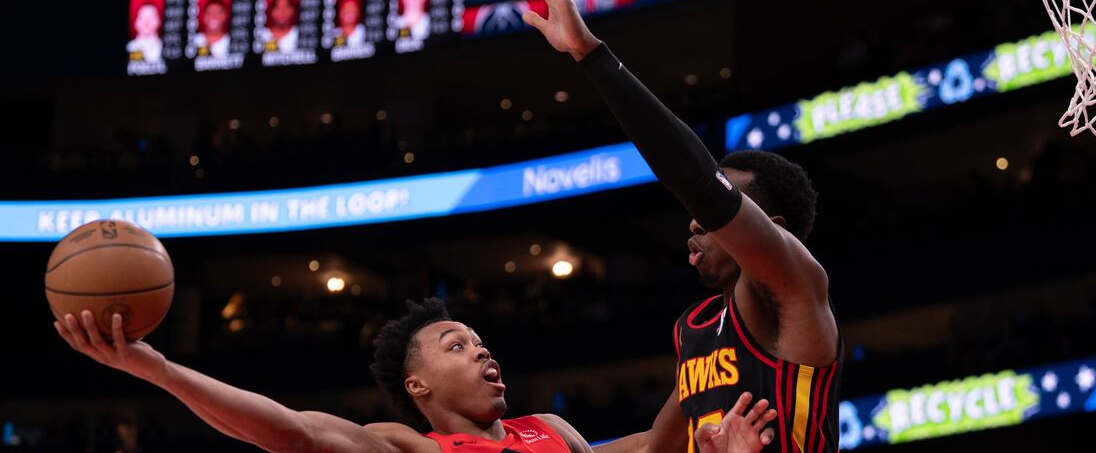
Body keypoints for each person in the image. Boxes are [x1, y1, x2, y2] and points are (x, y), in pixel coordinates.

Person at [517, 0, 843, 453]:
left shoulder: (794, 284)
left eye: (714, 210)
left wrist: (590, 53)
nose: (694, 221)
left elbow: (696, 180)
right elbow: (653, 447)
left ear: (773, 229)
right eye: (697, 213)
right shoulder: (697, 328)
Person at [54, 298, 777, 453]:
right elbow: (292, 432)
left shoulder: (552, 430)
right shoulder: (410, 446)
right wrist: (159, 370)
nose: (485, 353)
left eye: (482, 343)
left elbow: (655, 447)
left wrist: (700, 371)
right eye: (458, 346)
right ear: (418, 387)